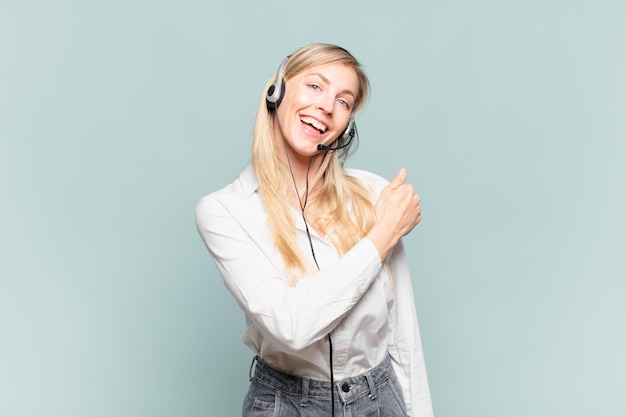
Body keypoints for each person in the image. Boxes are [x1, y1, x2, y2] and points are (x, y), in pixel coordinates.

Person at [196, 43, 433, 417]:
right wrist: (382, 235)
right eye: (315, 86)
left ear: (347, 122)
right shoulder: (224, 211)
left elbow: (403, 335)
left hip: (380, 399)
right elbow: (292, 325)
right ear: (277, 91)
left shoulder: (374, 194)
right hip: (286, 404)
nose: (327, 106)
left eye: (344, 100)